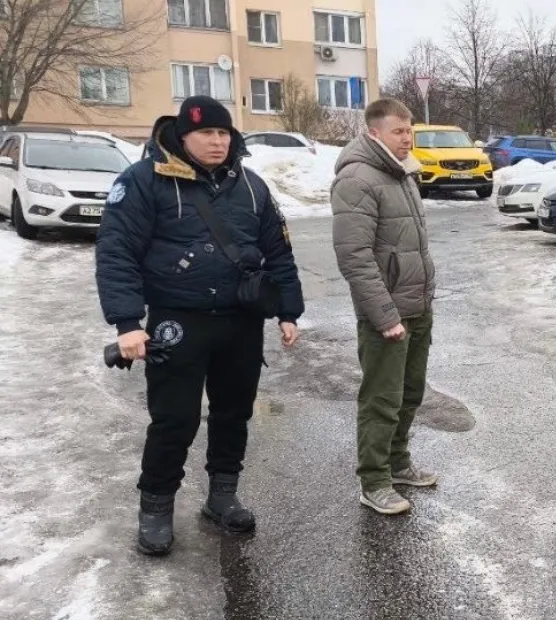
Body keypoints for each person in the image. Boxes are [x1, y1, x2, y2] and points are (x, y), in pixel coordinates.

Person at [95, 96, 304, 556]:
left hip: (240, 323)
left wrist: (289, 311)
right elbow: (116, 254)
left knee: (234, 413)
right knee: (174, 420)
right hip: (177, 321)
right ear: (182, 136)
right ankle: (156, 507)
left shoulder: (250, 186)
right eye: (206, 133)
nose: (217, 142)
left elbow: (279, 251)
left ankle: (222, 495)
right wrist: (127, 323)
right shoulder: (144, 181)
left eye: (223, 133)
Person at [331, 98, 438, 516]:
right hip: (387, 314)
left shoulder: (402, 173)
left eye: (409, 129)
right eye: (398, 131)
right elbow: (354, 257)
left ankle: (397, 464)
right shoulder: (357, 179)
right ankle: (373, 480)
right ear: (374, 132)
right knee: (381, 398)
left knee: (410, 392)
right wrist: (385, 315)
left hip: (417, 304)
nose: (407, 137)